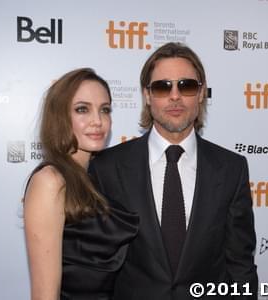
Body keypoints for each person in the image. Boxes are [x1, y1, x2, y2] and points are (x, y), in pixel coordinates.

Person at [89, 42, 258, 299]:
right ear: (147, 95)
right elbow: (95, 269)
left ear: (201, 94)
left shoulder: (231, 169)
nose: (175, 96)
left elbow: (240, 265)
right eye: (162, 86)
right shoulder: (107, 168)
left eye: (187, 85)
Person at [23, 68, 138, 300]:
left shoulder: (97, 176)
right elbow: (45, 295)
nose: (97, 121)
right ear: (60, 116)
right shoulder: (50, 181)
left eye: (104, 110)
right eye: (82, 109)